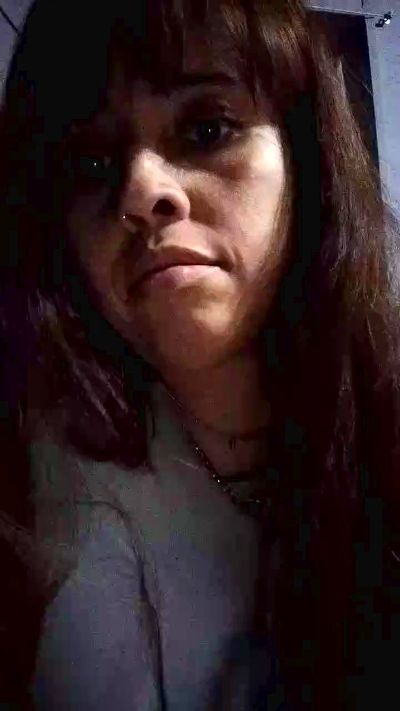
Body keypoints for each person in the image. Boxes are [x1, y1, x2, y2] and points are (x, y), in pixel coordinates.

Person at [0, 0, 399, 708]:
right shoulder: (45, 480)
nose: (141, 189)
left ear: (305, 162)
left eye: (207, 129)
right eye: (92, 161)